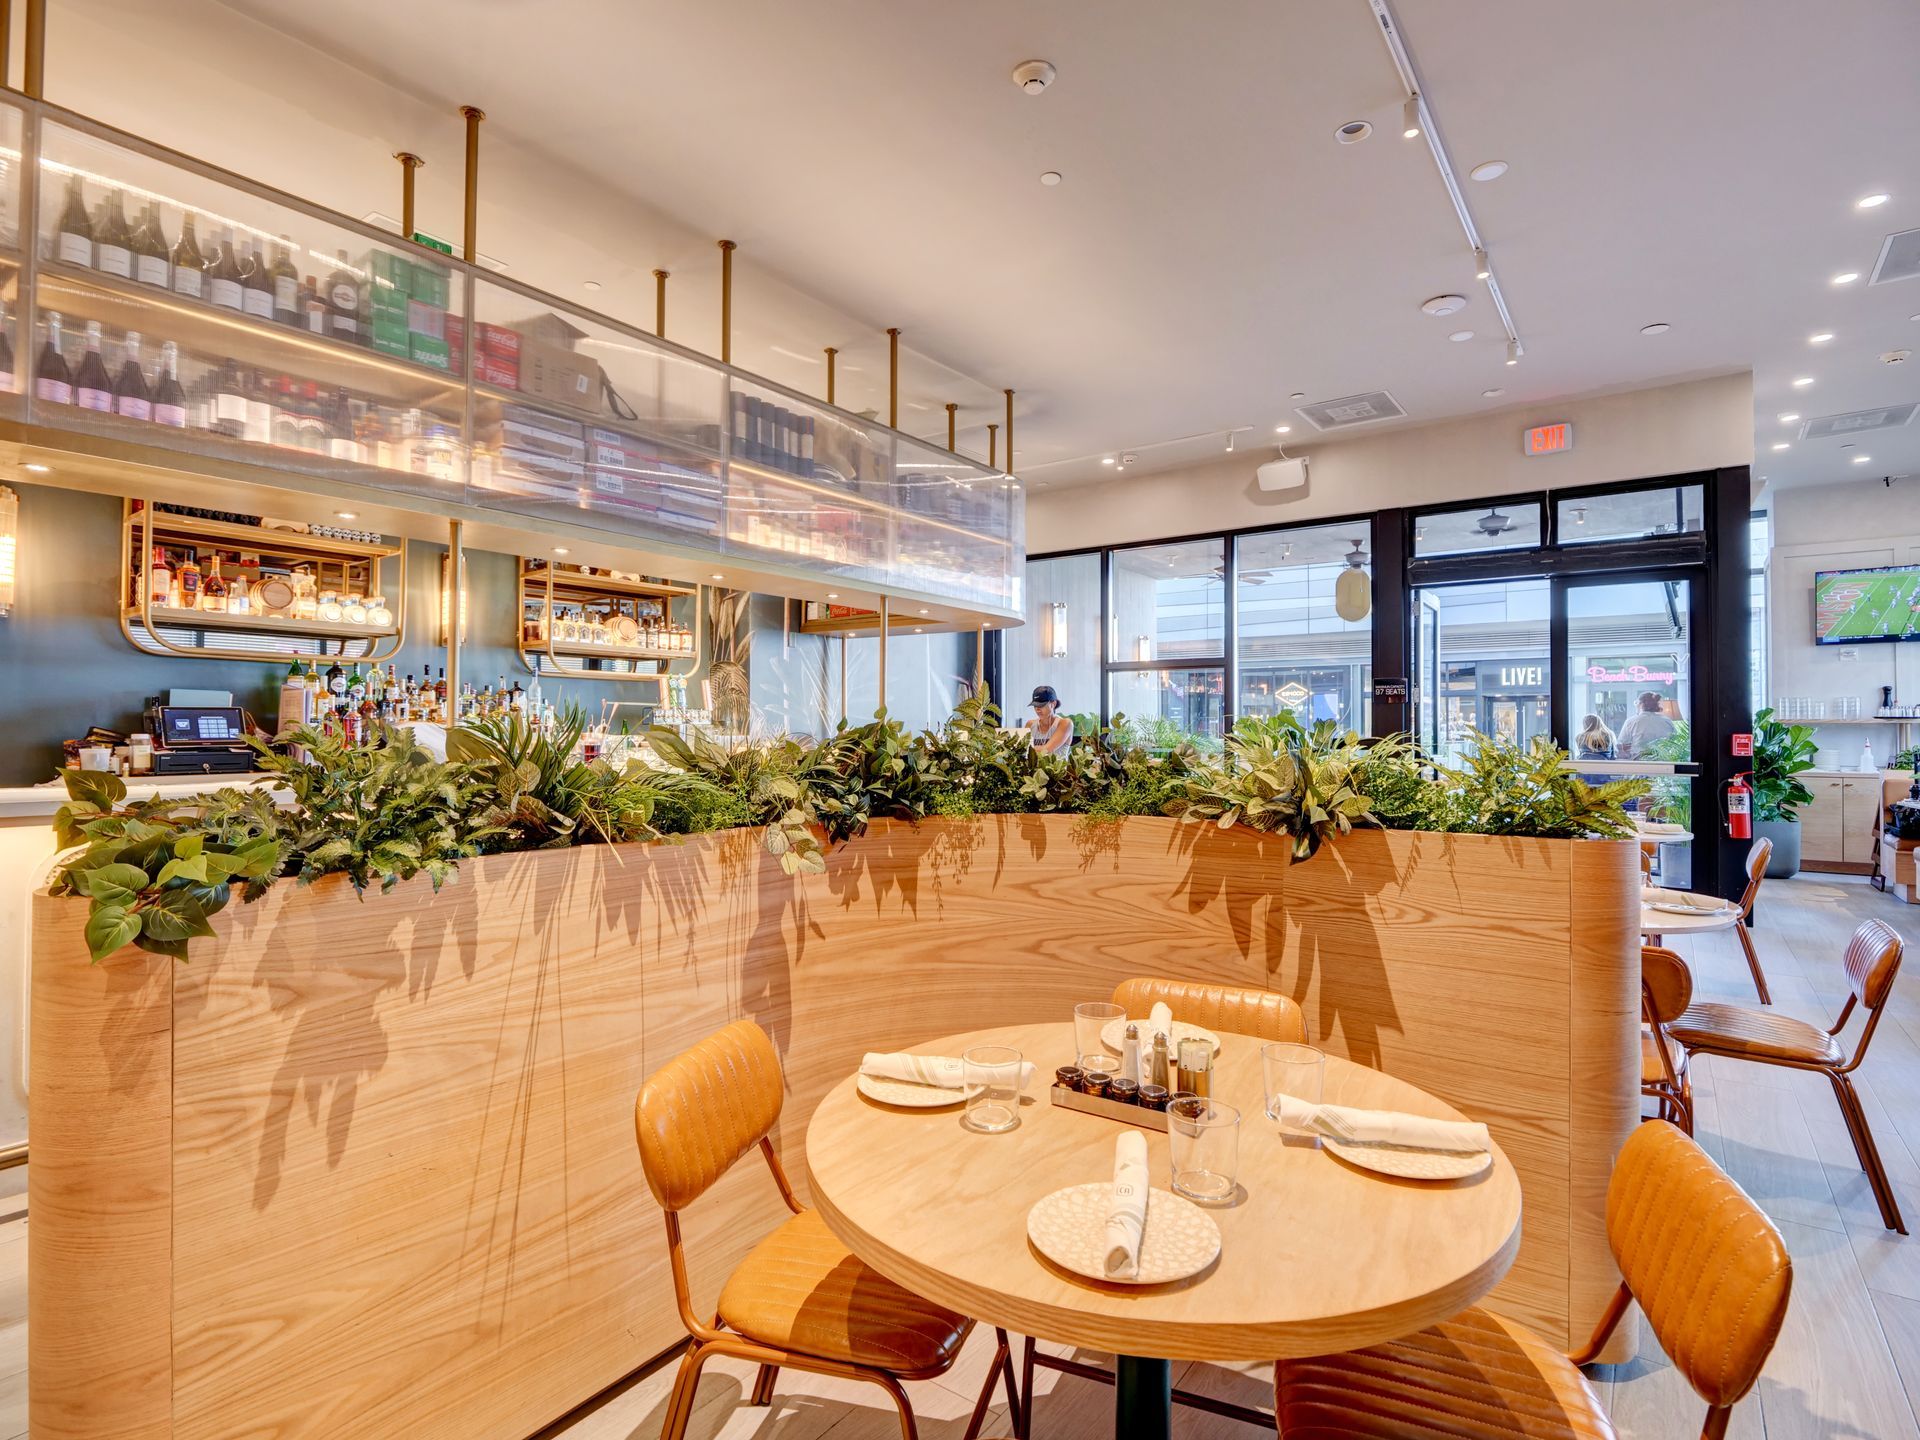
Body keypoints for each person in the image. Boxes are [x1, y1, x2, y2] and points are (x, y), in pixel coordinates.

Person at [1616, 691, 1677, 759]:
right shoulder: (1667, 721)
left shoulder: (1631, 722)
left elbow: (1622, 744)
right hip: (1664, 762)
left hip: (1639, 763)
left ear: (1640, 704)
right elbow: (1674, 741)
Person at [1024, 685, 1073, 755]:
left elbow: (1046, 750)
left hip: (1056, 766)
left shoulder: (1065, 723)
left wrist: (1027, 749)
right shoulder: (1030, 724)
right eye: (1035, 705)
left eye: (1041, 705)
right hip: (1034, 766)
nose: (1037, 709)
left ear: (1053, 704)